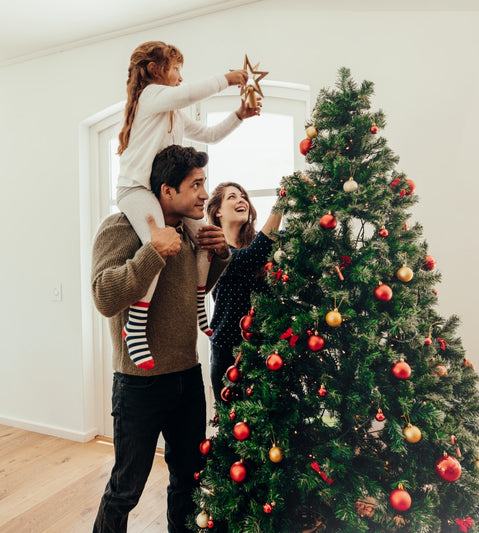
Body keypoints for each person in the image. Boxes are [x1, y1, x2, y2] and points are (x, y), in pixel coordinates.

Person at [92, 145, 230, 533]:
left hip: (187, 377)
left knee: (188, 479)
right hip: (139, 383)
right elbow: (104, 296)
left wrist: (218, 255)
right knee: (126, 489)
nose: (206, 193)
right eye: (197, 185)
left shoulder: (190, 233)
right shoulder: (119, 228)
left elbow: (189, 293)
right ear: (166, 191)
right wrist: (152, 252)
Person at [117, 40, 260, 370]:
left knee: (205, 237)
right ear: (156, 71)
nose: (181, 77)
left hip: (159, 191)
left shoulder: (174, 115)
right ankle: (135, 325)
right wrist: (227, 79)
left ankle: (199, 304)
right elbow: (187, 93)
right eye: (177, 69)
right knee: (160, 243)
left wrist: (239, 115)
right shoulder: (150, 96)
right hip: (136, 190)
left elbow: (210, 134)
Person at [206, 182, 283, 400]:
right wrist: (282, 202)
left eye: (243, 197)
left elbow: (278, 242)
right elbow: (249, 258)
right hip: (228, 353)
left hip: (267, 349)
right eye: (232, 197)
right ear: (218, 211)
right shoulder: (215, 250)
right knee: (233, 427)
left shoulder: (263, 243)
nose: (241, 200)